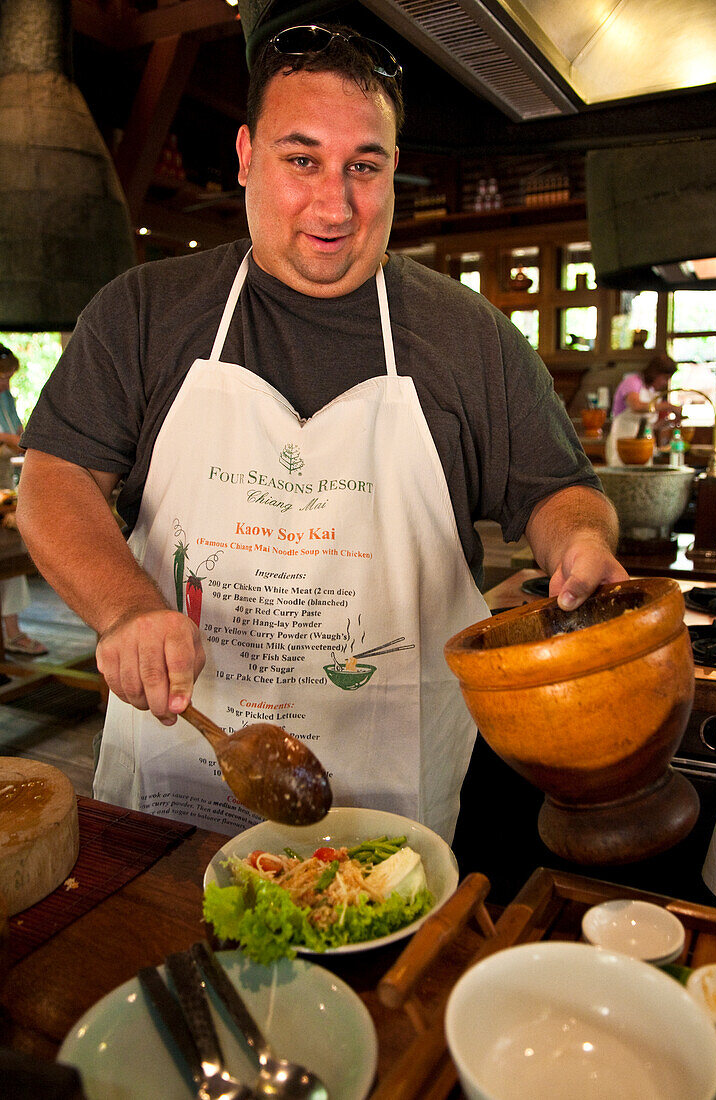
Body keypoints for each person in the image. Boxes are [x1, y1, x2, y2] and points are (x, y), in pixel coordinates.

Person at [15, 24, 626, 839]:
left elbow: (557, 492)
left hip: (394, 807)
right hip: (181, 765)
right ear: (245, 156)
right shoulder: (144, 311)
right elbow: (55, 480)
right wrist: (124, 609)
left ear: (392, 170)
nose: (334, 205)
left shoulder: (466, 335)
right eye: (301, 160)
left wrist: (578, 544)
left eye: (362, 167)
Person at [0, 345, 47, 657]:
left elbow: (17, 433)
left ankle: (12, 632)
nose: (6, 381)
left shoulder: (6, 398)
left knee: (11, 563)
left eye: (9, 376)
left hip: (3, 481)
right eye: (2, 376)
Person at [605, 354, 679, 465]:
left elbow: (650, 425)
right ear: (655, 373)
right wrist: (668, 406)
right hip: (623, 442)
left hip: (644, 446)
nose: (665, 383)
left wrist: (670, 422)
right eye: (665, 378)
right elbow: (636, 406)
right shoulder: (632, 382)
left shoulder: (652, 391)